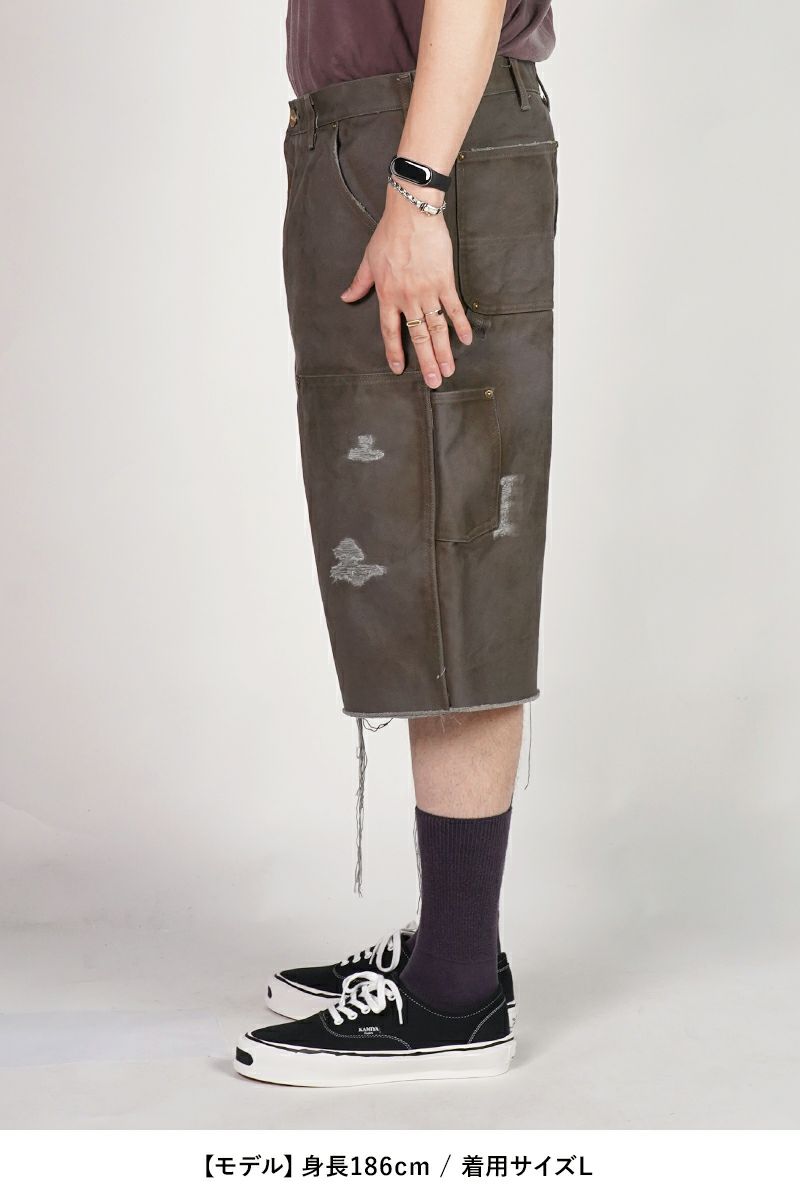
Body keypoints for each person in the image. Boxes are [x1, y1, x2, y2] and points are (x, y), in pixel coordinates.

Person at [235, 0, 558, 1087]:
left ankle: (457, 994)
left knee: (451, 552)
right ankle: (447, 947)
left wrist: (417, 189)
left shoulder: (422, 169)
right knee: (399, 540)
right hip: (370, 138)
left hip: (426, 145)